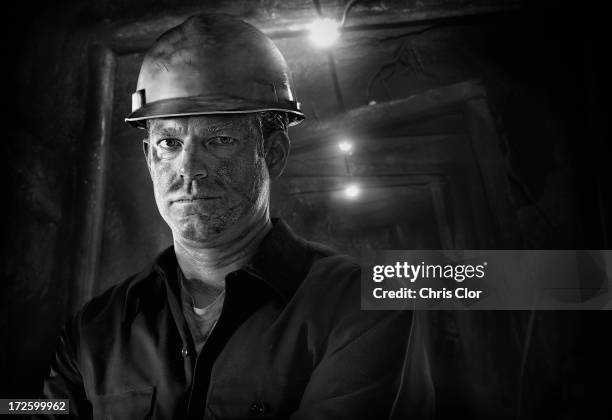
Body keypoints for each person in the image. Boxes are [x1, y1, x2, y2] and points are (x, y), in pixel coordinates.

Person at [39, 13, 432, 419]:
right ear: (149, 159)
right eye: (169, 142)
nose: (189, 167)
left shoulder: (362, 308)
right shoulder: (95, 330)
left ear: (273, 154)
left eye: (220, 139)